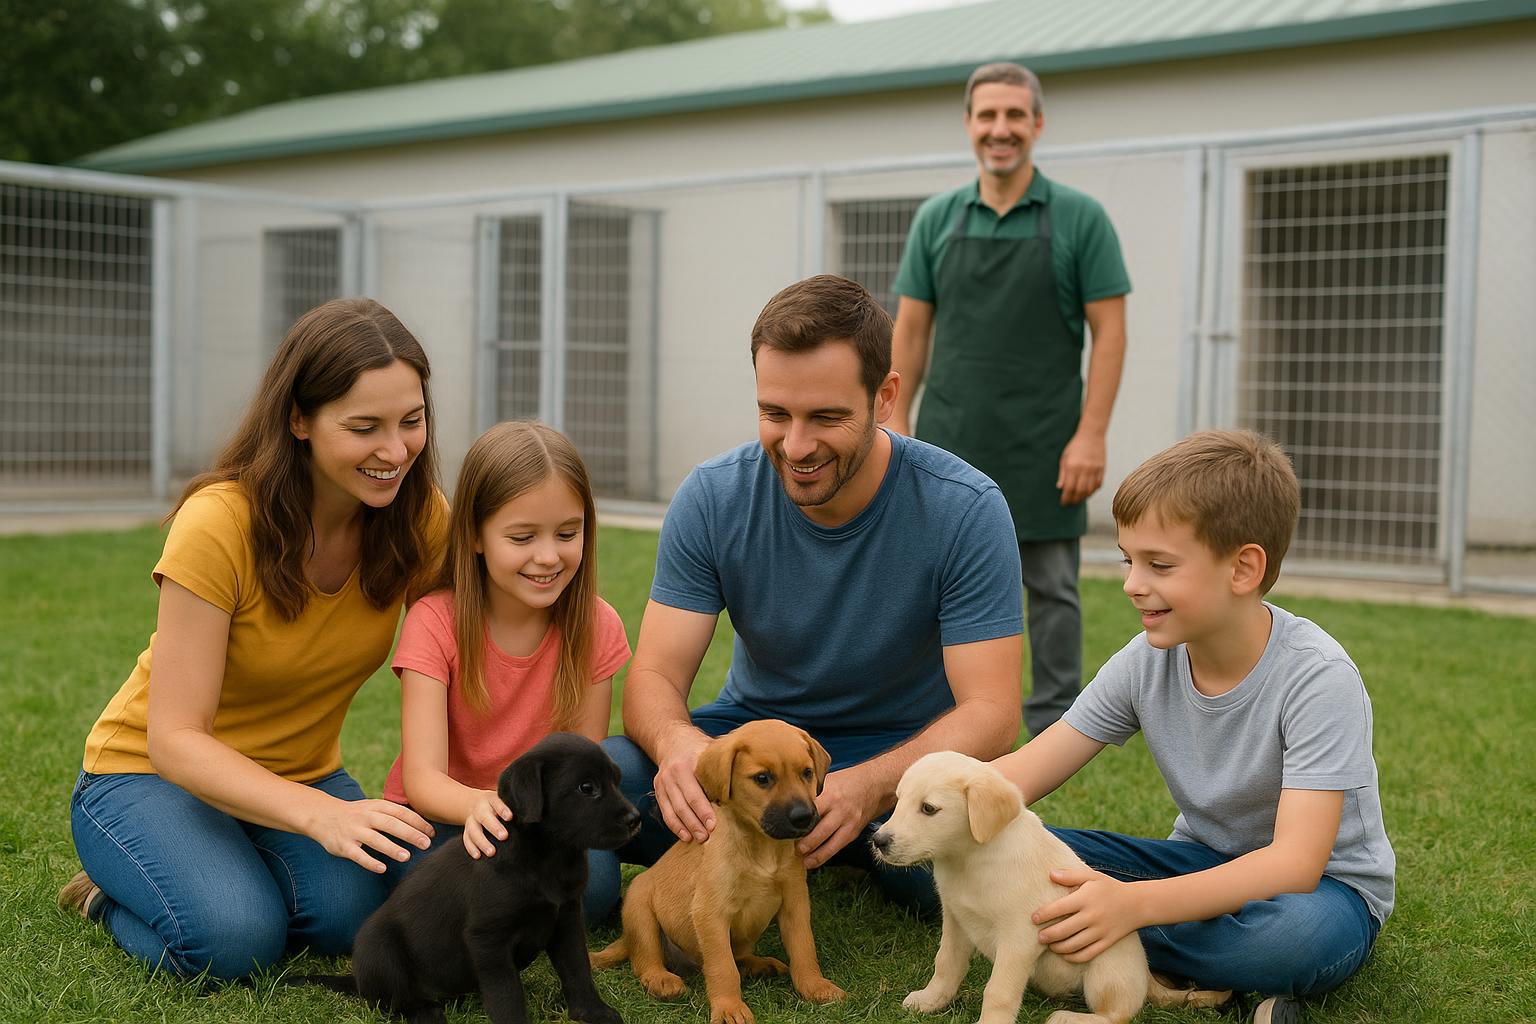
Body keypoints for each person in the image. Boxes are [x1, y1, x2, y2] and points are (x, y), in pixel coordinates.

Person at [604, 274, 1024, 912]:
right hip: (758, 749)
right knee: (609, 785)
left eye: (825, 417)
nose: (795, 446)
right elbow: (655, 673)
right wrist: (681, 750)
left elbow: (992, 712)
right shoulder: (713, 497)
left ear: (884, 397)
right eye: (776, 414)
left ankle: (850, 844)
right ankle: (821, 844)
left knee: (941, 874)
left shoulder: (966, 509)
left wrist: (869, 787)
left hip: (905, 757)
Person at [59, 298, 449, 981]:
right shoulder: (218, 522)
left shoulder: (418, 519)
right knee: (235, 942)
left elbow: (464, 647)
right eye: (364, 428)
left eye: (411, 422)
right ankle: (103, 895)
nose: (395, 452)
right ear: (299, 419)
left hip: (298, 771)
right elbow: (176, 737)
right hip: (148, 776)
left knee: (353, 923)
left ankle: (229, 863)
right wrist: (320, 815)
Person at [994, 430, 1395, 1024]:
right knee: (987, 853)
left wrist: (1132, 906)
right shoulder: (1145, 659)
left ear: (1243, 568)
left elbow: (1295, 863)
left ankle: (1109, 934)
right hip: (1196, 864)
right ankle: (1168, 951)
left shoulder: (1318, 677)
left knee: (1289, 943)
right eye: (1129, 560)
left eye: (1159, 564)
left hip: (1322, 895)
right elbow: (1019, 778)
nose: (1132, 583)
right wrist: (923, 807)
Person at [888, 61, 1132, 737]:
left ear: (1037, 124)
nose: (1001, 130)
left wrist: (1091, 435)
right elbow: (909, 329)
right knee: (932, 587)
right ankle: (935, 710)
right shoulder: (937, 219)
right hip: (946, 440)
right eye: (988, 116)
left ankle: (1059, 723)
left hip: (1046, 442)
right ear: (969, 125)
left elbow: (1109, 334)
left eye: (1014, 116)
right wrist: (898, 421)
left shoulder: (1081, 218)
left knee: (1052, 590)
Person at [382, 419, 631, 924]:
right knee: (438, 890)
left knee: (598, 888)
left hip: (542, 823)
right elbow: (423, 779)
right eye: (522, 537)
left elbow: (584, 759)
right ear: (475, 535)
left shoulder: (596, 625)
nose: (548, 557)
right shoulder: (434, 622)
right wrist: (481, 808)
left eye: (567, 533)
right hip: (446, 819)